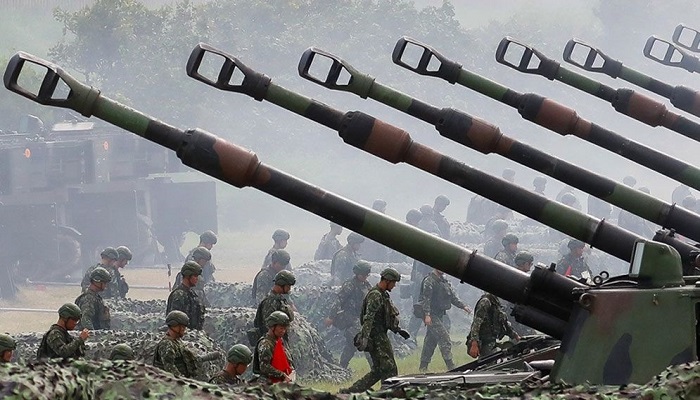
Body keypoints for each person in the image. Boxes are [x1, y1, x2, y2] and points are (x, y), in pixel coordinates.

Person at [341, 268, 410, 393]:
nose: (394, 286)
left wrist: (398, 330)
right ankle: (390, 393)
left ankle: (350, 392)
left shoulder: (383, 294)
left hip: (380, 334)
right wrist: (365, 337)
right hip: (376, 336)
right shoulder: (375, 295)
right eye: (393, 283)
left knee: (378, 370)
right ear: (387, 281)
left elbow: (386, 315)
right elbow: (369, 317)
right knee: (389, 367)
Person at [417, 268, 471, 371]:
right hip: (432, 315)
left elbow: (452, 297)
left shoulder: (443, 281)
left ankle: (423, 367)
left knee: (430, 341)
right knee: (444, 338)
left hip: (439, 314)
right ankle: (450, 366)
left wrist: (463, 306)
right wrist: (427, 315)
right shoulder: (429, 280)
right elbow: (426, 299)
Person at [325, 261, 372, 369]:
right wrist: (331, 317)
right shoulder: (349, 285)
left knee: (351, 345)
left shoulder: (366, 285)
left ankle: (342, 367)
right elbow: (338, 300)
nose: (365, 277)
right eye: (363, 274)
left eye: (366, 275)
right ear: (357, 273)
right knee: (365, 342)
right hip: (351, 318)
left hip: (362, 318)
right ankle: (374, 368)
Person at [467, 293, 519, 359]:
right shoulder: (486, 302)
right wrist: (474, 343)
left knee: (493, 360)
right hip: (484, 342)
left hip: (491, 341)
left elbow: (504, 323)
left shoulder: (496, 303)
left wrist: (516, 336)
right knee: (488, 362)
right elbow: (476, 323)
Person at [252, 270, 296, 343]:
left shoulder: (280, 300)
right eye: (288, 286)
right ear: (281, 285)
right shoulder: (270, 302)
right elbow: (268, 325)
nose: (289, 289)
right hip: (272, 342)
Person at [253, 311, 295, 384]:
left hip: (281, 382)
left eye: (285, 328)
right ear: (272, 327)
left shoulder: (279, 342)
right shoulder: (266, 344)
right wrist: (282, 375)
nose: (283, 331)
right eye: (281, 328)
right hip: (268, 383)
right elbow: (264, 367)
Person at [153, 310, 197, 378]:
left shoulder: (177, 341)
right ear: (174, 326)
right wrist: (184, 380)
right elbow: (170, 369)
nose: (184, 329)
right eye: (182, 326)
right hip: (169, 382)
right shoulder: (166, 344)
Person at [166, 261, 206, 330]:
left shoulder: (192, 294)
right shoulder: (179, 295)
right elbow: (175, 321)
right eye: (195, 276)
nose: (197, 279)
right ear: (188, 276)